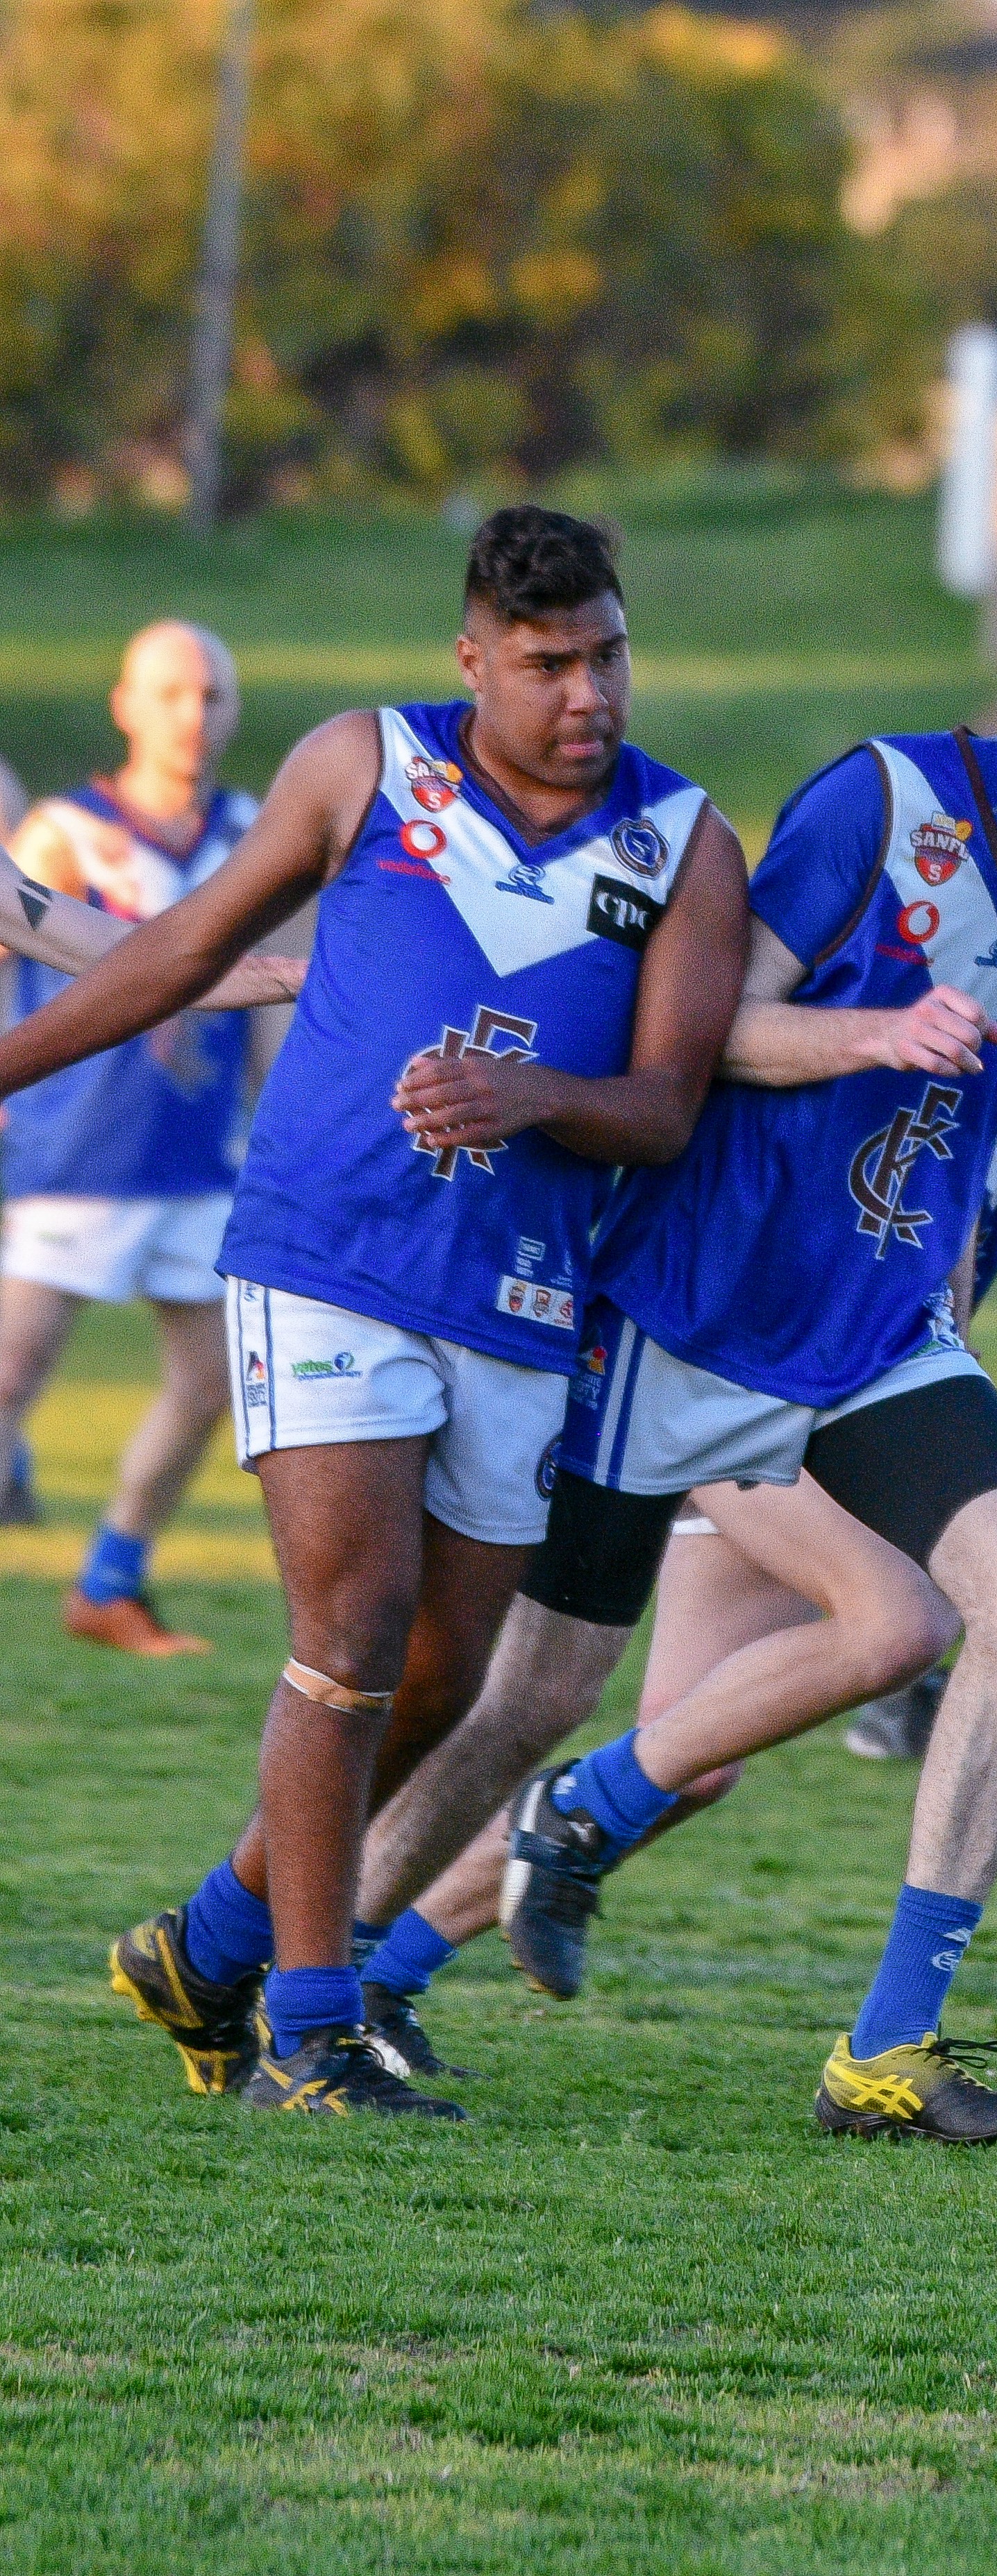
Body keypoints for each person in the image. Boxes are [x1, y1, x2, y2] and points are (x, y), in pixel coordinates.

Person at [444, 552, 997, 2146]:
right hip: (692, 1315)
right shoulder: (886, 801)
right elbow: (708, 1035)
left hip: (875, 1332)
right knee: (518, 1698)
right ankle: (306, 1967)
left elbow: (980, 1142)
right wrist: (875, 1032)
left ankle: (887, 2050)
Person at [43, 508, 751, 2117]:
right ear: (472, 662)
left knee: (444, 1679)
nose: (589, 693)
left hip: (513, 1300)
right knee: (349, 1635)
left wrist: (528, 1093)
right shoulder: (362, 766)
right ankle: (310, 2032)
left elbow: (662, 1109)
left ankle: (208, 1940)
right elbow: (179, 951)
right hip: (323, 1253)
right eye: (549, 663)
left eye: (609, 655)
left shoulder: (686, 844)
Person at [0, 620, 305, 1612]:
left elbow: (261, 995)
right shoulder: (67, 831)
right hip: (72, 1154)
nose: (192, 715)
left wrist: (280, 1135)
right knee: (12, 1373)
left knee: (216, 1379)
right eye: (169, 693)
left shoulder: (257, 834)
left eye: (211, 694)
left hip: (201, 1164)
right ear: (125, 706)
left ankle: (113, 1576)